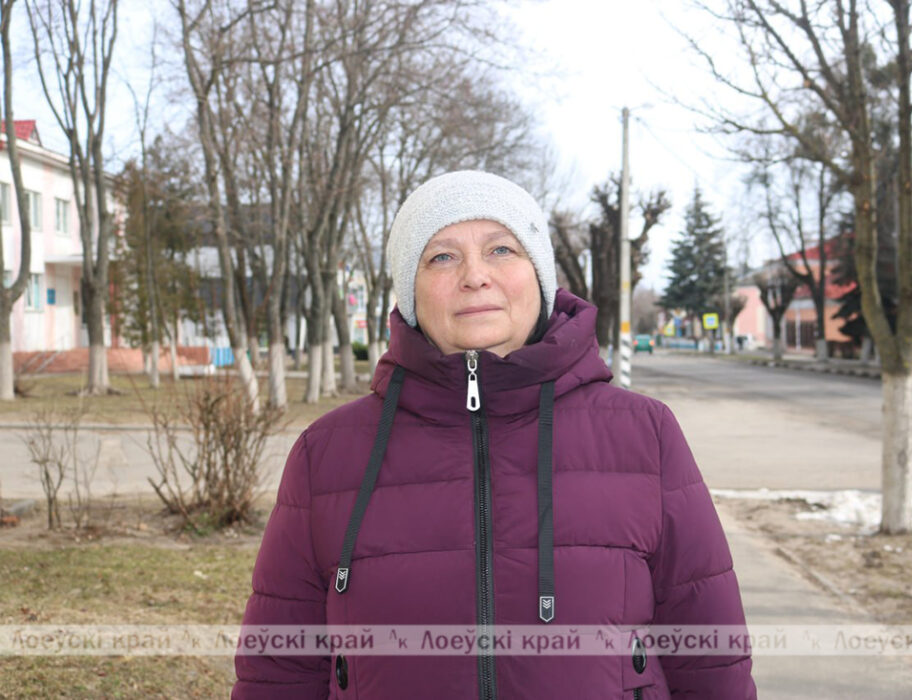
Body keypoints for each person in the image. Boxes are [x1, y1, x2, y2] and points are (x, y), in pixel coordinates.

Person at [233, 171, 756, 698]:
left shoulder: (644, 434)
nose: (475, 276)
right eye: (442, 256)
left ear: (539, 274)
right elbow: (278, 668)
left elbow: (710, 657)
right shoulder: (328, 453)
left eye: (501, 249)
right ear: (410, 291)